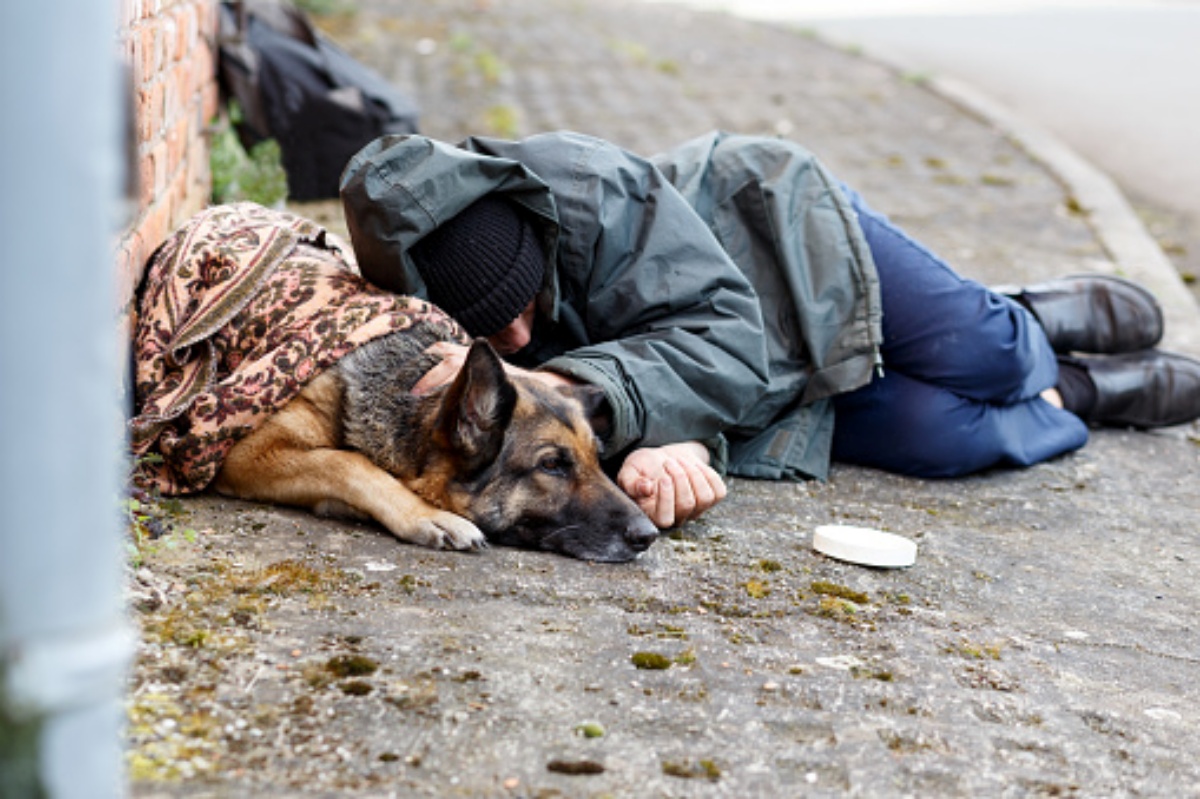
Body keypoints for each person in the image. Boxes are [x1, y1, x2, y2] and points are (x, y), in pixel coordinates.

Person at [339, 130, 1200, 529]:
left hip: (783, 251)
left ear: (533, 233)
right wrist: (662, 445)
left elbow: (722, 331)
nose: (520, 339)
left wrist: (580, 392)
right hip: (735, 385)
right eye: (497, 328)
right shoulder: (430, 303)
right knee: (949, 436)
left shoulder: (590, 188)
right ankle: (1079, 390)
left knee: (988, 355)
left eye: (527, 303)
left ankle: (1025, 319)